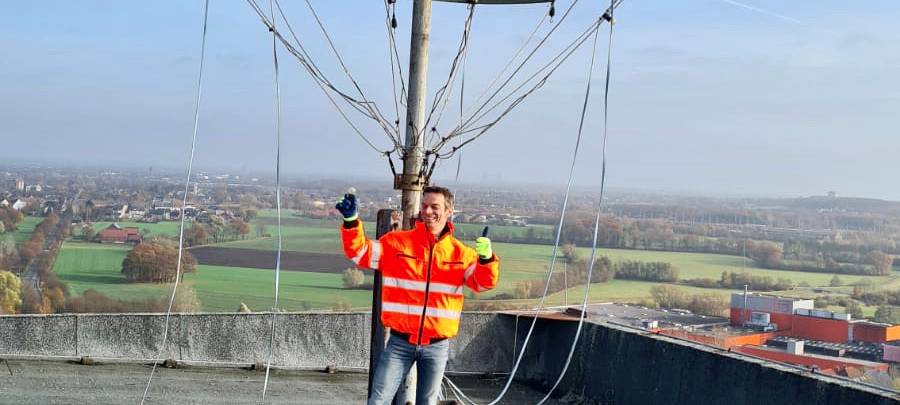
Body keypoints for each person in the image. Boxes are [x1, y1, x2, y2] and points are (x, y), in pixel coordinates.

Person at [336, 185, 500, 405]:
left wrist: (486, 259)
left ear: (449, 210)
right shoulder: (397, 244)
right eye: (424, 206)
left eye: (435, 206)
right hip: (399, 342)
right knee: (378, 400)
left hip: (437, 345)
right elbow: (360, 252)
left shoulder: (462, 254)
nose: (428, 211)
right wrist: (351, 221)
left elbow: (483, 283)